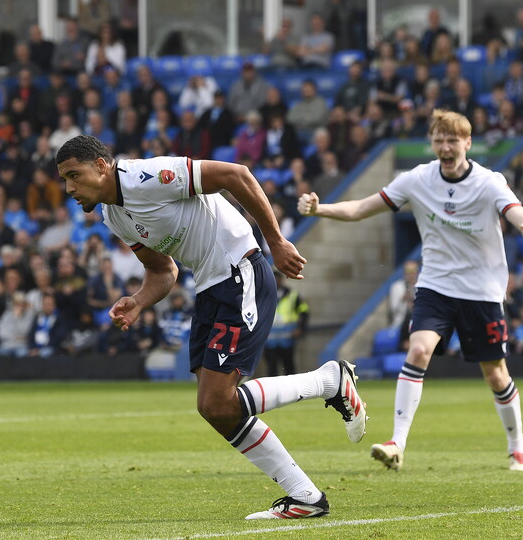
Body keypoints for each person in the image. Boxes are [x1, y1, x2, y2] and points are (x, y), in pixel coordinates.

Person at [56, 134, 366, 520]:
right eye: (64, 180)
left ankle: (329, 382)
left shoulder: (147, 176)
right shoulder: (113, 215)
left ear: (101, 166)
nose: (69, 188)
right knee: (214, 409)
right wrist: (138, 301)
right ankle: (305, 497)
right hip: (210, 287)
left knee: (218, 401)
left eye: (74, 175)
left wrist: (276, 240)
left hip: (240, 271)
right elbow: (161, 270)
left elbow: (236, 174)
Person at [298, 109, 523, 472]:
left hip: (482, 291)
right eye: (439, 140)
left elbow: (514, 210)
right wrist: (321, 209)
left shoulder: (489, 182)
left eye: (452, 140)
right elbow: (362, 208)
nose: (445, 147)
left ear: (467, 143)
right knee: (419, 349)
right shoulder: (417, 179)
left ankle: (517, 446)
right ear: (432, 143)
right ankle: (397, 443)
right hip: (436, 285)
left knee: (495, 373)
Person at [264, 270, 309, 376]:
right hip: (270, 338)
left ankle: (293, 392)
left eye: (277, 279)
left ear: (281, 280)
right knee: (271, 368)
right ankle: (272, 392)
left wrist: (300, 328)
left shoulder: (292, 295)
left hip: (287, 337)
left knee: (289, 367)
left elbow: (304, 311)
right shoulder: (264, 295)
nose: (275, 282)